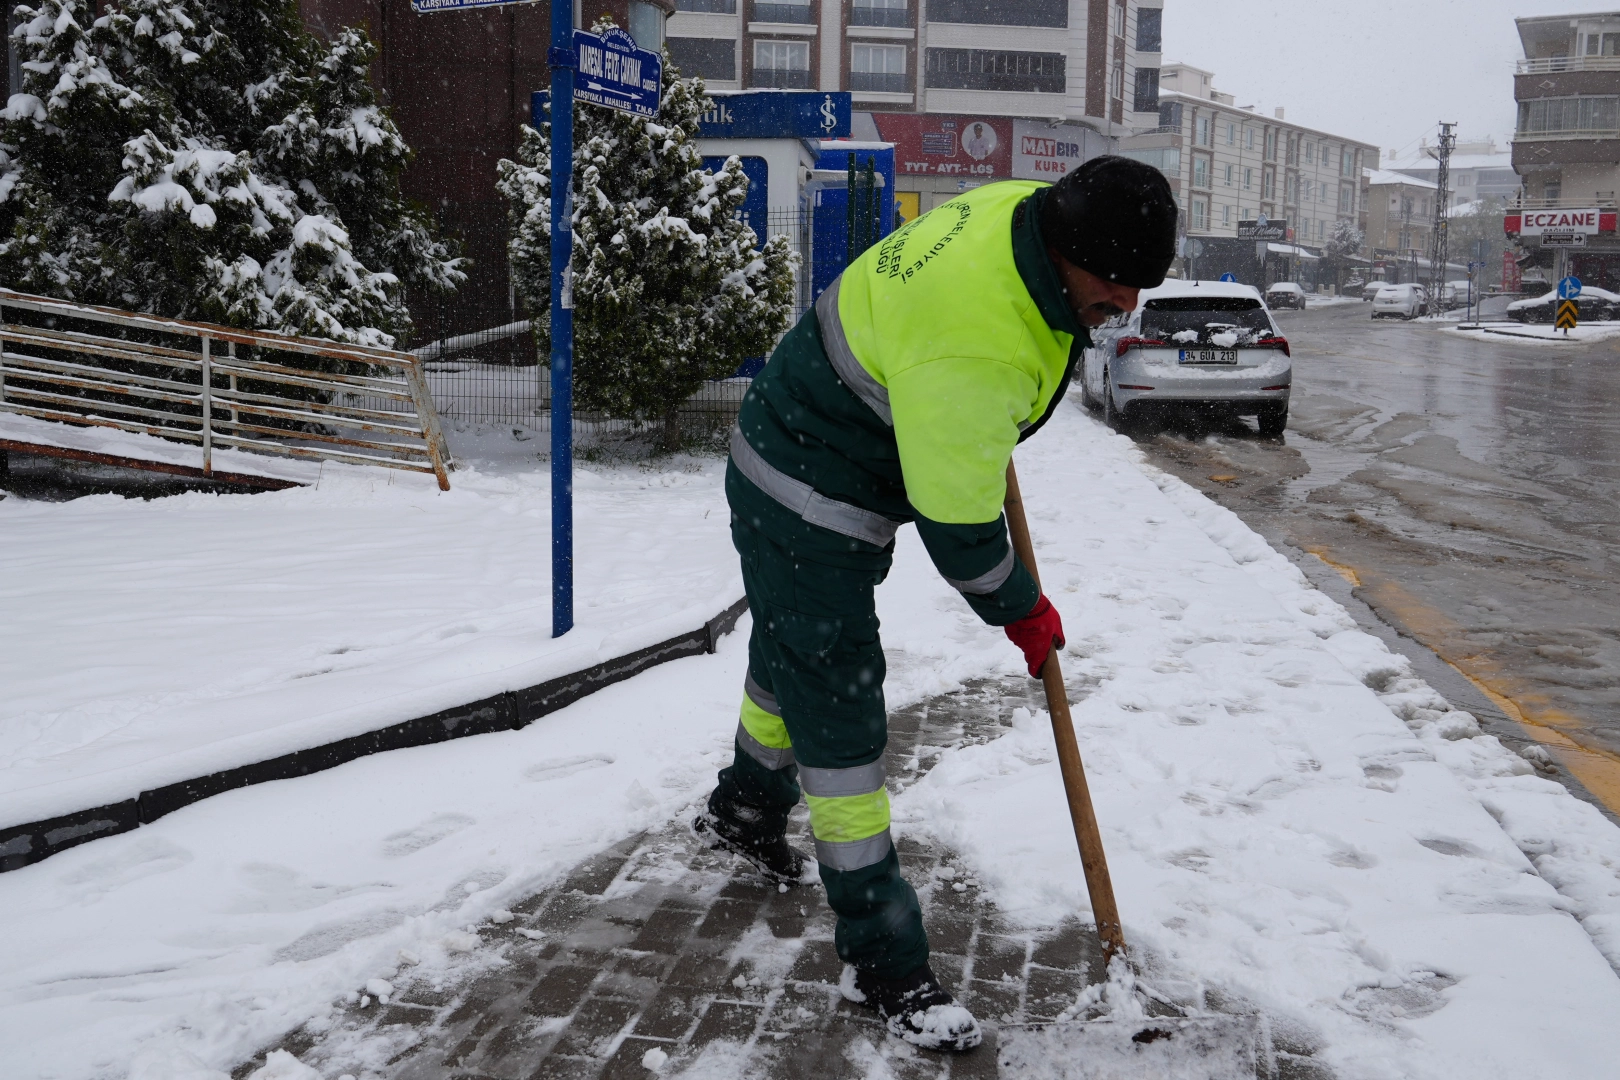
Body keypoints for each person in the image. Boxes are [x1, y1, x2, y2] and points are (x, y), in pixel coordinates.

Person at [694, 157, 1178, 1051]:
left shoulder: (1023, 215)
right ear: (1067, 247)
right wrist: (1022, 610)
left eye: (1141, 282)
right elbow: (961, 534)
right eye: (1114, 281)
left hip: (814, 439)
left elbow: (967, 389)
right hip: (806, 486)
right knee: (838, 716)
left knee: (791, 656)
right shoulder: (977, 342)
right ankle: (882, 960)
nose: (1127, 301)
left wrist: (980, 418)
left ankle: (743, 809)